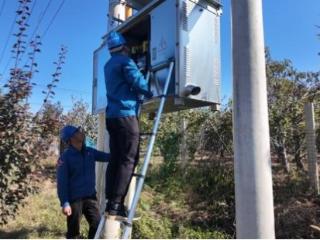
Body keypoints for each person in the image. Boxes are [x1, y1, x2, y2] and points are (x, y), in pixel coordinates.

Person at [104, 31, 153, 217]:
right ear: (124, 47)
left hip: (112, 117)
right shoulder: (125, 62)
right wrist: (149, 92)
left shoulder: (108, 65)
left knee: (116, 158)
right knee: (129, 159)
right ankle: (117, 205)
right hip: (126, 116)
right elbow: (138, 82)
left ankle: (110, 202)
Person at [57, 125, 110, 239]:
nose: (81, 132)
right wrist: (65, 203)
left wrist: (121, 154)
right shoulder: (65, 157)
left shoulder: (89, 152)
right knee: (73, 231)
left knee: (97, 224)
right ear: (71, 138)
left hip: (90, 197)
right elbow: (62, 182)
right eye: (77, 132)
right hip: (74, 200)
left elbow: (107, 157)